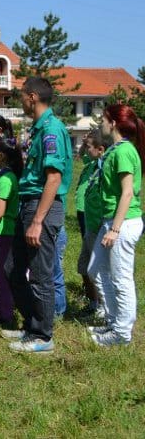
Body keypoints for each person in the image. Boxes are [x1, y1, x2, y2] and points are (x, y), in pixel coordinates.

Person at [4, 77, 72, 354]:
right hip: (29, 203)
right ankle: (31, 325)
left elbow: (54, 178)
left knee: (41, 275)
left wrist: (37, 221)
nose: (20, 100)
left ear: (32, 97)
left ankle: (43, 336)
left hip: (42, 207)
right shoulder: (39, 129)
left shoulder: (52, 130)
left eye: (21, 95)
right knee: (12, 267)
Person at [86, 104, 145, 346]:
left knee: (121, 278)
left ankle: (121, 333)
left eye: (103, 119)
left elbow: (127, 193)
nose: (100, 123)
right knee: (96, 270)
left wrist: (115, 229)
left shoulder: (123, 152)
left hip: (123, 223)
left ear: (113, 123)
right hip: (110, 220)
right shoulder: (116, 150)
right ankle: (114, 321)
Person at [0, 138, 22, 325]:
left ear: (0, 155)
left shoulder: (6, 180)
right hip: (0, 231)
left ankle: (5, 314)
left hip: (2, 231)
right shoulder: (3, 177)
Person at [75, 130, 106, 318]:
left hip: (93, 218)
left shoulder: (100, 166)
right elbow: (81, 156)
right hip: (83, 214)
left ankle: (102, 305)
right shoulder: (89, 163)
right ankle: (93, 302)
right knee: (84, 266)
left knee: (95, 265)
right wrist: (86, 142)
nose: (85, 149)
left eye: (88, 146)